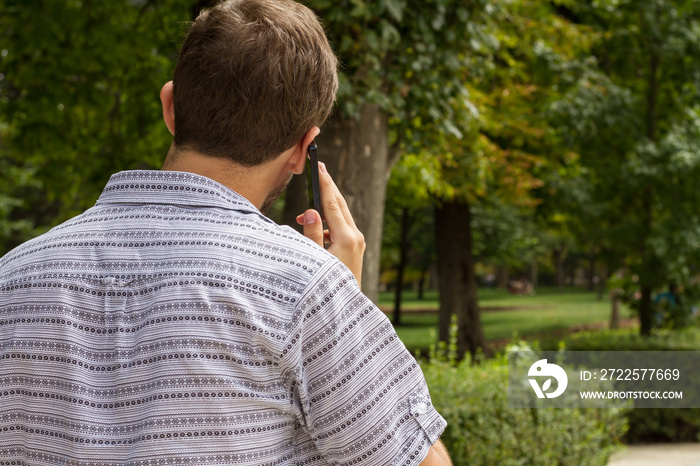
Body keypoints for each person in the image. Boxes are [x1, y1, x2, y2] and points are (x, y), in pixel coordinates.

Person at [0, 0, 450, 464]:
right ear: (302, 150)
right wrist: (346, 314)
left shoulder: (11, 278)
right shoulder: (306, 289)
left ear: (170, 106)